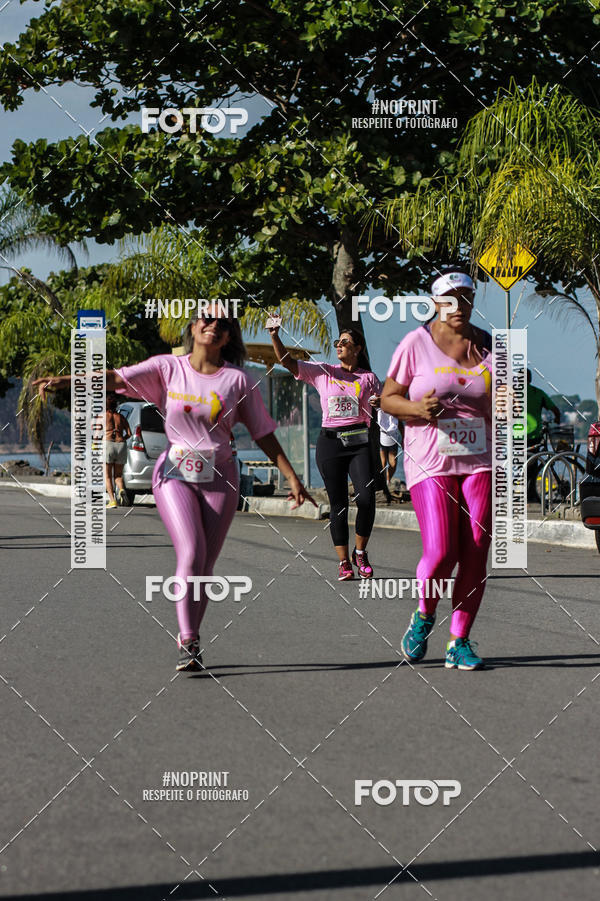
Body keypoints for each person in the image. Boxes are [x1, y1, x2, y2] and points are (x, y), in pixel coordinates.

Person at [34, 304, 314, 672]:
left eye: (223, 323)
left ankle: (192, 636)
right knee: (192, 551)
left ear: (228, 336)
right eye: (206, 319)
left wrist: (292, 478)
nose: (213, 325)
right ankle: (188, 640)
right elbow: (115, 378)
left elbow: (262, 432)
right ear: (193, 327)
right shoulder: (168, 368)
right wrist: (65, 381)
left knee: (205, 565)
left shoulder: (239, 381)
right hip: (174, 473)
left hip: (221, 477)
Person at [381, 271, 493, 670]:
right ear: (436, 303)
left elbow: (506, 404)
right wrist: (417, 408)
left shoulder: (491, 345)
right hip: (430, 460)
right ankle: (424, 614)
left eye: (466, 297)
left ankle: (458, 641)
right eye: (450, 298)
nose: (459, 305)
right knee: (443, 551)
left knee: (476, 551)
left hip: (480, 460)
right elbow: (387, 398)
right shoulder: (417, 343)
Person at [268, 321, 381, 580]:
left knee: (366, 499)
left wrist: (380, 402)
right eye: (337, 342)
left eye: (345, 342)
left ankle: (360, 553)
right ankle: (344, 562)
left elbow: (385, 403)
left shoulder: (369, 378)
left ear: (358, 349)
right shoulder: (323, 372)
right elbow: (287, 362)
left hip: (359, 443)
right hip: (330, 444)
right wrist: (275, 336)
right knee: (338, 504)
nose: (339, 346)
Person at [526, 369, 561, 503]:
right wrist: (557, 419)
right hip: (534, 434)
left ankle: (523, 493)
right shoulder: (537, 393)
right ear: (530, 379)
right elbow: (555, 410)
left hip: (516, 435)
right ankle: (531, 494)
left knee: (519, 464)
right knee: (533, 465)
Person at [92, 392, 132, 508]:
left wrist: (95, 445)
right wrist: (122, 439)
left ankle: (112, 500)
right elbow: (129, 433)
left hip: (108, 444)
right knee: (118, 476)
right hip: (121, 445)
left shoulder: (102, 417)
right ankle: (121, 489)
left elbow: (96, 435)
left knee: (107, 476)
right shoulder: (121, 417)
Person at [377, 408, 402, 503]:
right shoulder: (378, 408)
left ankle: (387, 481)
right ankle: (383, 485)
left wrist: (403, 437)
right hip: (381, 434)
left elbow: (400, 422)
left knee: (393, 463)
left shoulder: (394, 406)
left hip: (393, 435)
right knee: (382, 463)